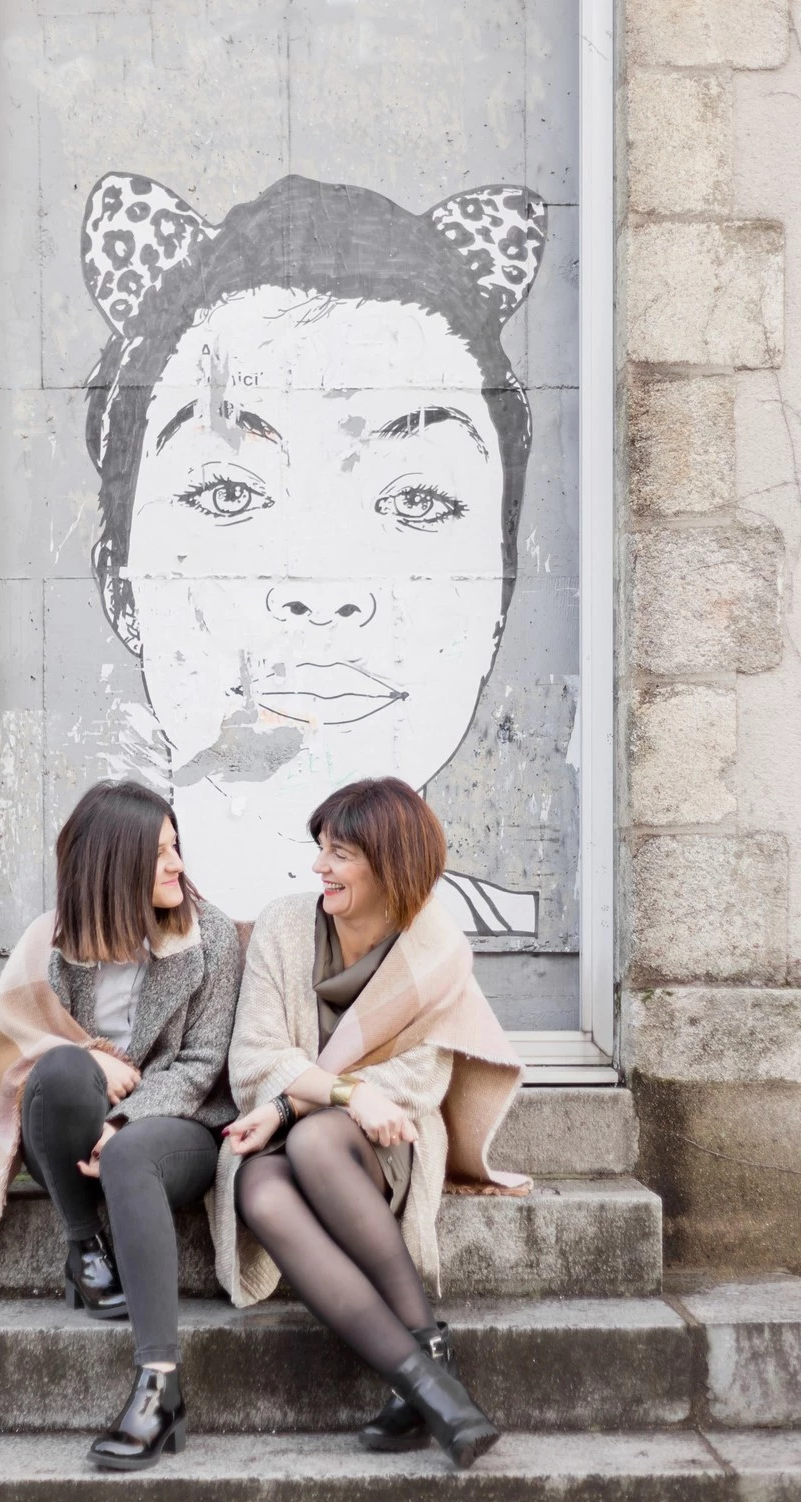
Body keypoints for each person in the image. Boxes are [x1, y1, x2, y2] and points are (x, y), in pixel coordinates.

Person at [80, 171, 545, 933]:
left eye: (418, 500)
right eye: (228, 495)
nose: (327, 585)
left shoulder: (512, 955)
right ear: (121, 588)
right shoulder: (75, 953)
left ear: (500, 596)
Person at [209, 776, 528, 1469]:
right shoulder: (286, 926)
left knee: (320, 1139)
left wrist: (305, 1101)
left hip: (388, 1143)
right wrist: (344, 1093)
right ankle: (431, 1378)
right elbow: (256, 1053)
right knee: (257, 1189)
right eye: (321, 848)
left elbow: (419, 1081)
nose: (320, 866)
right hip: (288, 1130)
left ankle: (424, 1358)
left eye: (342, 854)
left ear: (392, 866)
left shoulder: (434, 948)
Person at [0, 779, 240, 1471]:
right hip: (71, 1122)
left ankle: (158, 1384)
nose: (177, 865)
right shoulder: (52, 943)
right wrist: (81, 1055)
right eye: (159, 852)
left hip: (180, 1127)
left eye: (176, 847)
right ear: (113, 863)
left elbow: (203, 1067)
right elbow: (13, 1048)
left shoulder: (212, 936)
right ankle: (84, 1246)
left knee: (132, 1151)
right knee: (54, 1070)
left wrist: (127, 1118)